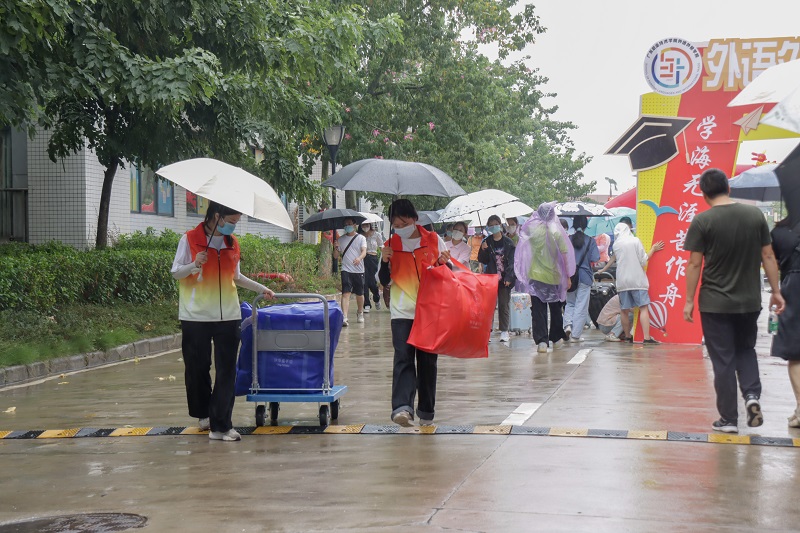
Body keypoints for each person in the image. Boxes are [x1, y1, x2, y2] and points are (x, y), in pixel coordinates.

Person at [683, 168, 784, 434]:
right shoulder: (754, 215)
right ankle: (752, 396)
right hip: (749, 301)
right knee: (745, 350)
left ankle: (728, 419)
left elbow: (694, 263)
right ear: (728, 187)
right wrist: (776, 290)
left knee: (723, 360)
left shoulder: (702, 220)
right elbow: (768, 255)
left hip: (715, 303)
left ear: (704, 193)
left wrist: (688, 301)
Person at [171, 201, 275, 442]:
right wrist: (194, 264)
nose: (233, 227)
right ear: (217, 216)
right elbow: (176, 272)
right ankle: (203, 413)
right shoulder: (189, 239)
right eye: (231, 222)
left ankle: (221, 426)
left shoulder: (232, 244)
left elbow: (236, 277)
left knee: (227, 370)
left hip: (228, 315)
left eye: (236, 223)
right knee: (197, 367)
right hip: (195, 315)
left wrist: (263, 288)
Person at [378, 199, 450, 427]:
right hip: (401, 311)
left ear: (414, 218)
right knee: (403, 358)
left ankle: (426, 412)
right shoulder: (389, 244)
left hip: (430, 310)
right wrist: (384, 261)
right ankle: (401, 408)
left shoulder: (433, 240)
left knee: (428, 362)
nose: (401, 227)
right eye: (396, 224)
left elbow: (447, 275)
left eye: (404, 221)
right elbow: (383, 280)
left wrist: (442, 263)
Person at [515, 202, 574, 353]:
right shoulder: (557, 232)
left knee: (538, 309)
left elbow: (522, 244)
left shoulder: (532, 228)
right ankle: (555, 337)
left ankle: (542, 341)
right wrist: (567, 276)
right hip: (554, 276)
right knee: (556, 308)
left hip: (535, 275)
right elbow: (565, 255)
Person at [598, 222, 663, 343]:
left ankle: (628, 336)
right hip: (637, 280)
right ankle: (646, 338)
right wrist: (653, 249)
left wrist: (602, 270)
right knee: (643, 308)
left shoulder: (616, 245)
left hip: (622, 282)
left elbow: (613, 259)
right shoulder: (635, 241)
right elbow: (643, 261)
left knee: (624, 310)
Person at [770, 217, 800, 427]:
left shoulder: (780, 231)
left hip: (793, 289)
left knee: (795, 354)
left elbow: (772, 261)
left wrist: (775, 291)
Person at [478, 215, 517, 343]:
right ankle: (487, 331)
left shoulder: (508, 242)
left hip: (504, 279)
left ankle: (504, 331)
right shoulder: (486, 242)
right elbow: (482, 260)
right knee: (488, 306)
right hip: (491, 278)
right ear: (488, 227)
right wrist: (483, 250)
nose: (494, 226)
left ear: (500, 225)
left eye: (496, 224)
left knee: (503, 304)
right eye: (491, 224)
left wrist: (510, 277)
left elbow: (512, 262)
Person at [562, 215, 599, 342]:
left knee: (570, 303)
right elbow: (595, 258)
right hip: (584, 277)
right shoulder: (590, 241)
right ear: (585, 225)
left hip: (569, 276)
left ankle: (567, 326)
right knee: (581, 306)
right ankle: (576, 335)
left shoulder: (567, 240)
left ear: (573, 224)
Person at [333, 218, 367, 326]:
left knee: (360, 294)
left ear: (355, 225)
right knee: (346, 293)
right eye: (345, 224)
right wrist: (336, 248)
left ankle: (360, 312)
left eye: (349, 224)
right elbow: (335, 256)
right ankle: (345, 316)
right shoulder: (341, 240)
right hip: (346, 269)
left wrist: (359, 258)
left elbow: (364, 252)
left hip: (358, 270)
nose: (347, 226)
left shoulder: (361, 238)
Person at [360, 222, 384, 313]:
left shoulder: (376, 235)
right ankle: (366, 304)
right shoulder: (360, 236)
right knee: (364, 282)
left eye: (367, 225)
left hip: (373, 259)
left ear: (370, 225)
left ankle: (376, 297)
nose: (365, 227)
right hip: (363, 259)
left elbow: (381, 246)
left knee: (372, 282)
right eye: (363, 225)